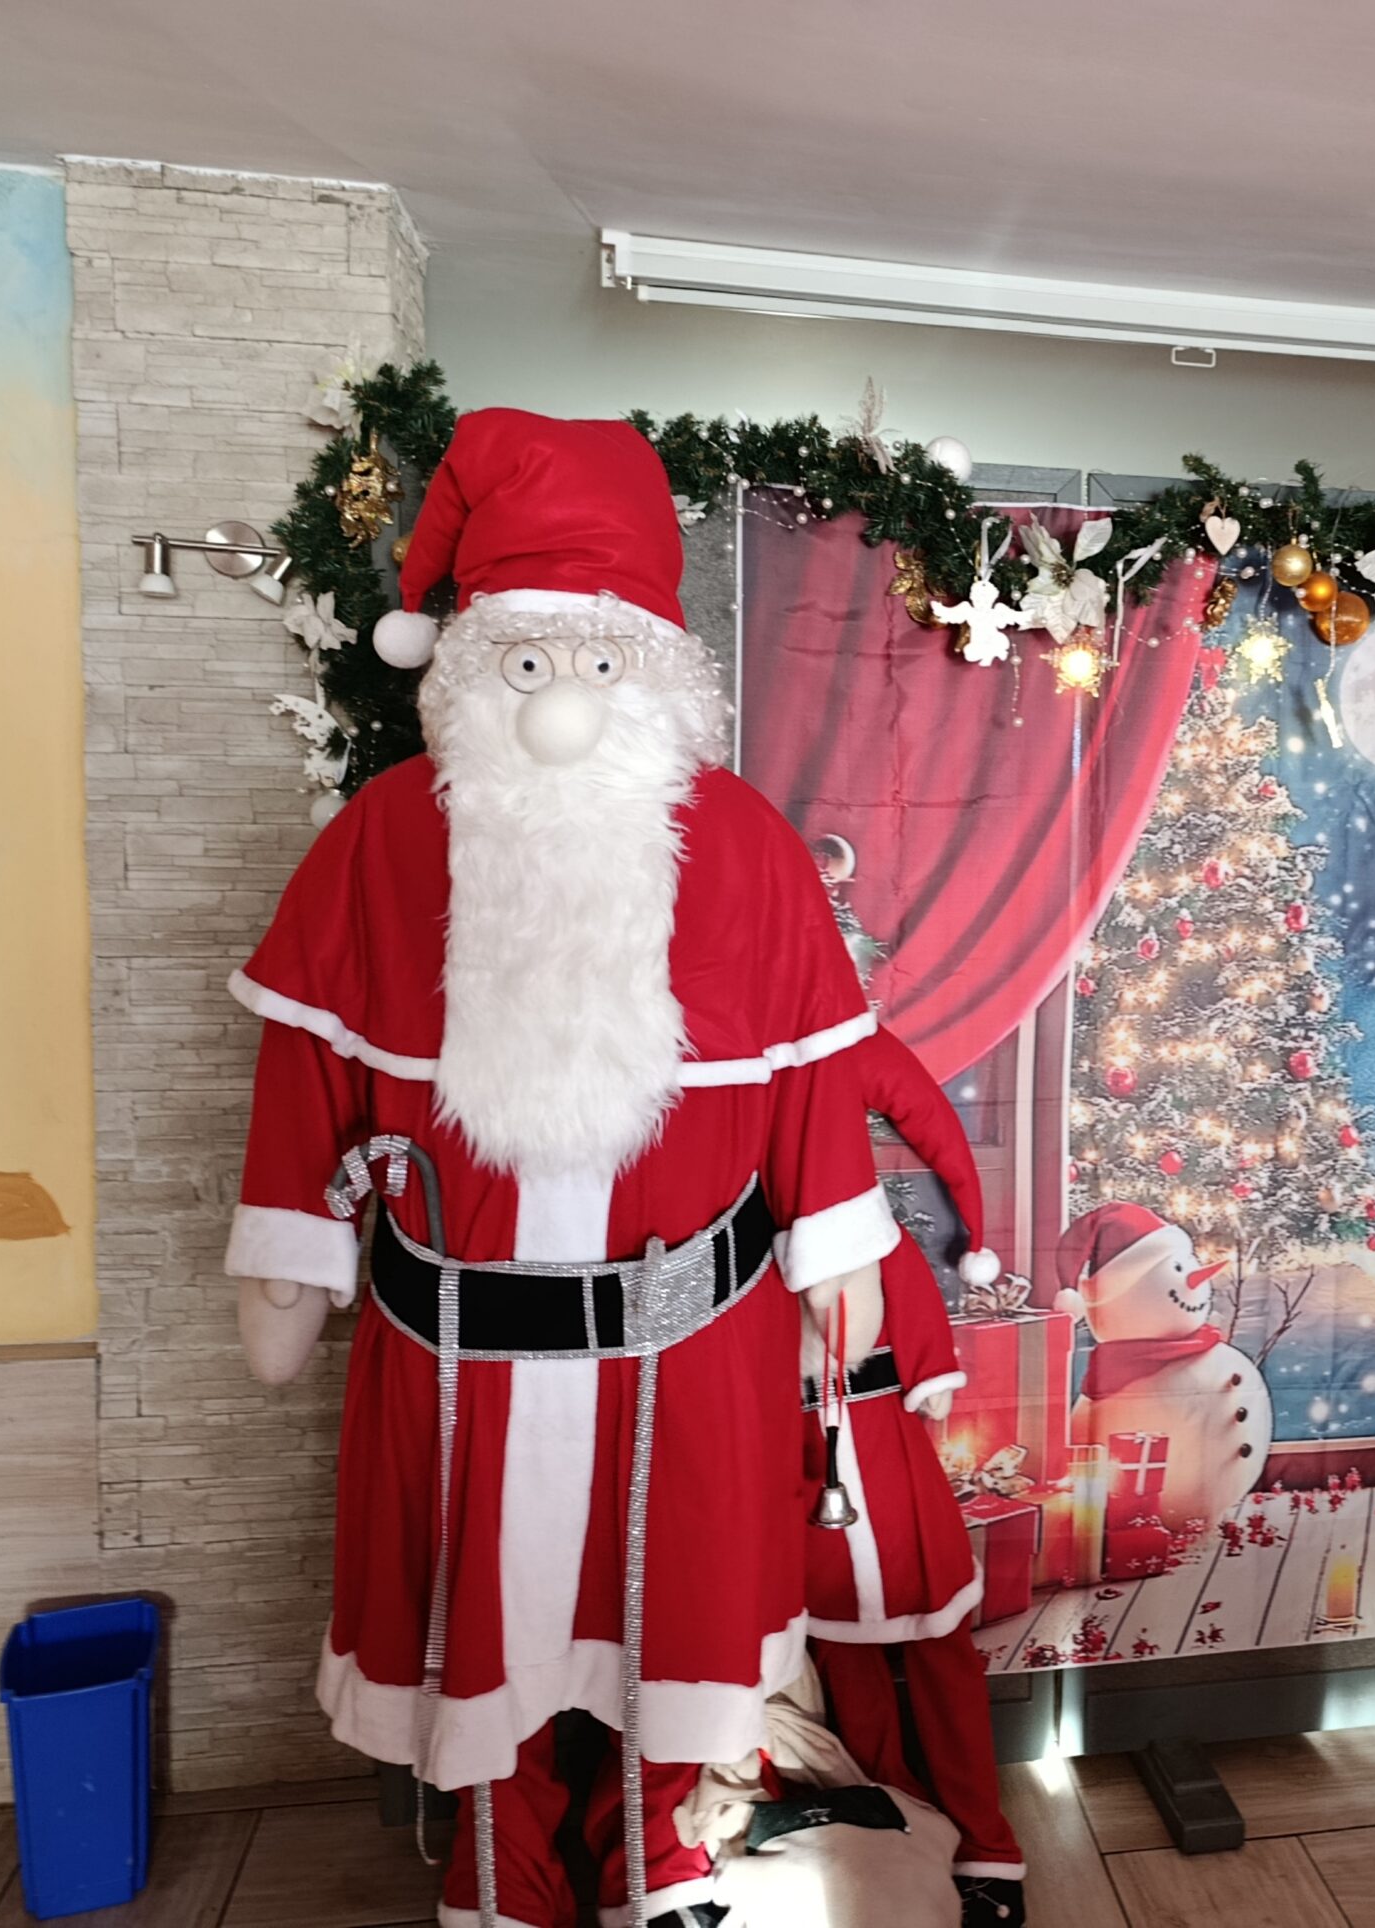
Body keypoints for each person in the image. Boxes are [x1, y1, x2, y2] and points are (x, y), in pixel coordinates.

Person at [228, 408, 896, 1928]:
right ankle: (500, 1872)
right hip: (453, 1353)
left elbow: (812, 1084)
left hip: (690, 1352)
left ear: (654, 676)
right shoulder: (382, 841)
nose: (561, 706)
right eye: (526, 665)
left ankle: (655, 1859)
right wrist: (289, 1261)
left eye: (598, 664)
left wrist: (836, 1252)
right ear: (469, 671)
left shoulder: (747, 847)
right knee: (477, 1634)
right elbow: (305, 1069)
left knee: (682, 1629)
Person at [802, 1026, 1026, 1928]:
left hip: (889, 1464)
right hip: (801, 1475)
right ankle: (896, 1820)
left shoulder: (875, 1236)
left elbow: (919, 1328)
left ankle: (985, 1838)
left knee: (940, 1648)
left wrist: (928, 1373)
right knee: (845, 1660)